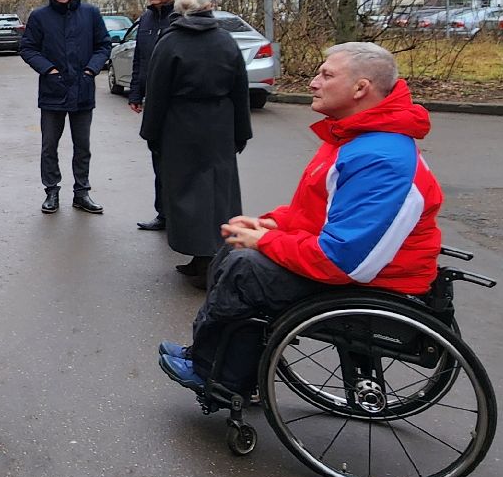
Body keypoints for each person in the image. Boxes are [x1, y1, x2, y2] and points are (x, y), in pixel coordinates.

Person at [159, 42, 443, 396]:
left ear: (360, 89)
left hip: (378, 284)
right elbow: (317, 212)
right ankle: (212, 360)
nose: (313, 82)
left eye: (327, 75)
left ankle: (220, 377)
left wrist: (265, 241)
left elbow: (345, 262)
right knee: (236, 249)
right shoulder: (356, 136)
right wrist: (272, 224)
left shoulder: (379, 158)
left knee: (247, 270)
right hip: (360, 264)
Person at [140, 0, 250, 280]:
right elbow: (241, 90)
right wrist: (241, 132)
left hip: (180, 127)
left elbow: (157, 91)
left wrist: (151, 133)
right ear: (209, 4)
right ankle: (210, 256)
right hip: (219, 125)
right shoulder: (226, 41)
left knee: (187, 192)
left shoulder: (170, 41)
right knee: (218, 192)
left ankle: (204, 261)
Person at [18, 0, 112, 215]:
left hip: (83, 91)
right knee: (50, 145)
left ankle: (82, 193)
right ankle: (51, 191)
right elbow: (27, 48)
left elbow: (104, 45)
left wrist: (91, 70)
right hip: (53, 92)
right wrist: (49, 70)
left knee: (83, 146)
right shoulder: (40, 17)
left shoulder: (90, 13)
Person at [127, 0, 182, 232]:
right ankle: (163, 214)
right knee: (158, 158)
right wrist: (136, 92)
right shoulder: (147, 19)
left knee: (179, 163)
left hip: (180, 106)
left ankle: (182, 216)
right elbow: (140, 58)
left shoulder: (183, 18)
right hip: (153, 104)